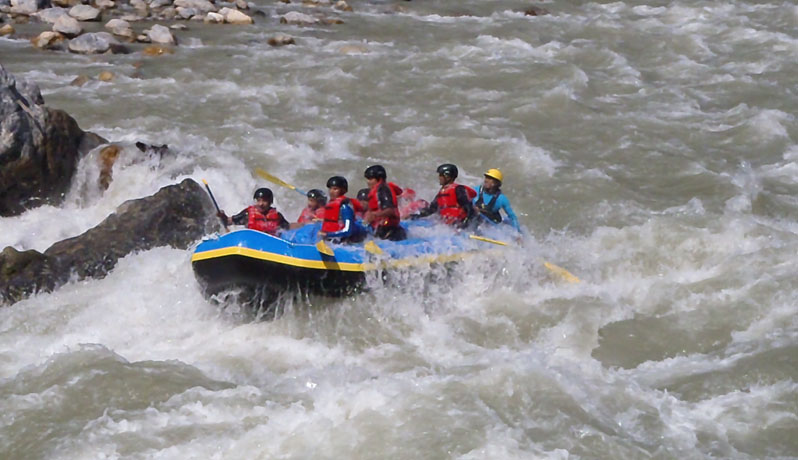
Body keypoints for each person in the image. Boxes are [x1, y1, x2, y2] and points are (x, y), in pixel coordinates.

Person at [412, 163, 476, 228]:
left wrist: (465, 224)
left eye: (441, 175)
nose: (439, 177)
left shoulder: (458, 189)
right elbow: (431, 209)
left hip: (460, 225)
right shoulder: (441, 192)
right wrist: (415, 216)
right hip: (448, 226)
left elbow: (469, 208)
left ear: (447, 177)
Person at [217, 187, 290, 236]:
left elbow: (288, 228)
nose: (261, 204)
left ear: (270, 202)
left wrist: (300, 225)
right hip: (253, 245)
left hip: (270, 246)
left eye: (264, 201)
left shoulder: (277, 216)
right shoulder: (247, 214)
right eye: (258, 200)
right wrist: (222, 216)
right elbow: (228, 222)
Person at [362, 165, 407, 241]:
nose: (368, 182)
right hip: (385, 228)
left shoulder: (383, 190)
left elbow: (390, 210)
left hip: (389, 231)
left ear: (379, 179)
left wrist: (374, 215)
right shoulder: (381, 190)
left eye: (370, 179)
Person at [319, 176, 366, 243]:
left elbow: (348, 231)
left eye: (335, 189)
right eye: (330, 189)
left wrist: (328, 234)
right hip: (332, 238)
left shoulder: (345, 207)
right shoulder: (330, 204)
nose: (331, 192)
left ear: (343, 190)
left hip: (345, 239)